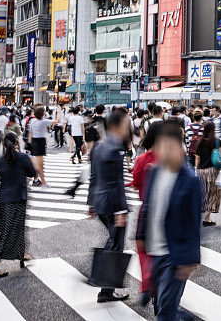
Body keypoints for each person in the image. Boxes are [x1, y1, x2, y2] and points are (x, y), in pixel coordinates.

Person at [135, 120, 203, 321]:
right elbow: (147, 205)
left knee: (165, 309)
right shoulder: (154, 171)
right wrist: (140, 235)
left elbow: (194, 222)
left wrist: (190, 258)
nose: (165, 152)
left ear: (180, 149)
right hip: (154, 250)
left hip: (175, 254)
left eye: (170, 147)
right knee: (164, 304)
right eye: (161, 147)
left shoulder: (190, 180)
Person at [87, 110, 130, 303]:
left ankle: (104, 285)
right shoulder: (114, 147)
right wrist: (121, 210)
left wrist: (91, 202)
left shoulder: (98, 145)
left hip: (99, 200)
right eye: (126, 124)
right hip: (113, 204)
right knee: (115, 244)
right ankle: (105, 288)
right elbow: (117, 181)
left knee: (113, 241)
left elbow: (93, 175)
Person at [0, 133, 37, 278]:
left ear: (3, 144)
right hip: (18, 197)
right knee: (10, 230)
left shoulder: (0, 160)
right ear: (16, 142)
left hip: (4, 197)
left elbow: (6, 174)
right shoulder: (22, 157)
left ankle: (21, 254)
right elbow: (32, 172)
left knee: (10, 228)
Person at [128, 119, 159, 307]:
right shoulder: (168, 159)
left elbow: (136, 183)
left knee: (144, 252)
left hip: (146, 209)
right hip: (165, 212)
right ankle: (159, 288)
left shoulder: (142, 159)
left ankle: (146, 286)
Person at [195, 121, 221, 226]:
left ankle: (198, 215)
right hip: (213, 171)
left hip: (201, 171)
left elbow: (197, 157)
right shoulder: (216, 142)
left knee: (202, 193)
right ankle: (206, 218)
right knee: (212, 194)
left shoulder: (200, 142)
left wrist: (197, 168)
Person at [27, 106, 54, 187]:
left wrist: (29, 145)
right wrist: (59, 111)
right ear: (42, 113)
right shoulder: (43, 121)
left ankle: (39, 180)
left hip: (34, 142)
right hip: (40, 142)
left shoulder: (32, 121)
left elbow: (30, 134)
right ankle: (34, 180)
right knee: (39, 165)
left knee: (38, 163)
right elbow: (58, 121)